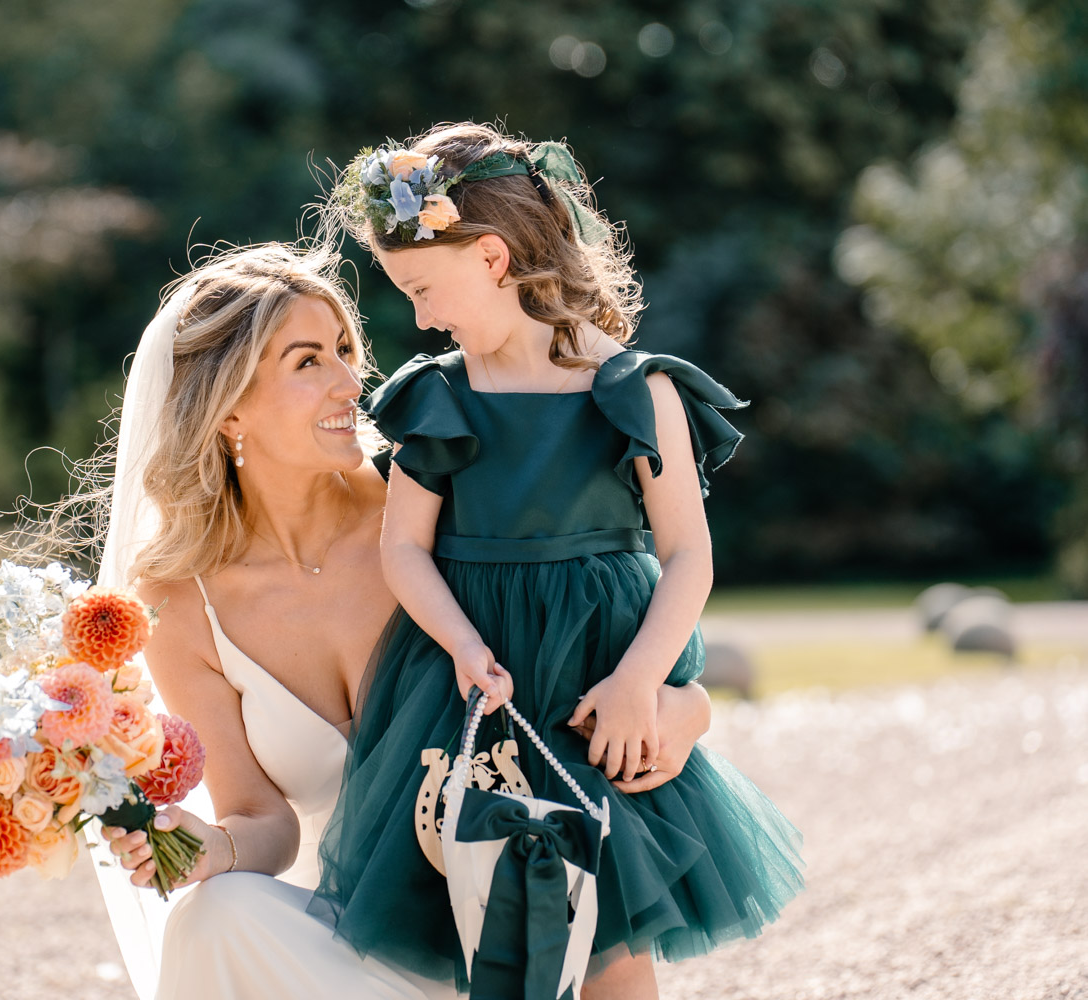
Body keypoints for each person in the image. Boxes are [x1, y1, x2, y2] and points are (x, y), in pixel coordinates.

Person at [91, 242, 718, 1000]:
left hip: (508, 940)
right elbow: (263, 820)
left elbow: (580, 644)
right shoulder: (181, 605)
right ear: (227, 409)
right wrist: (214, 849)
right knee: (214, 916)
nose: (350, 382)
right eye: (308, 361)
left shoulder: (432, 512)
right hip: (353, 945)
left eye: (344, 350)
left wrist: (687, 706)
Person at [306, 123, 806, 1000]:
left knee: (609, 931)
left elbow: (688, 553)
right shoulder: (436, 396)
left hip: (596, 682)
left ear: (491, 257)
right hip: (470, 683)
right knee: (486, 916)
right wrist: (462, 646)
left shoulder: (638, 390)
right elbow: (404, 548)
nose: (418, 317)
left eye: (422, 289)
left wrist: (640, 683)